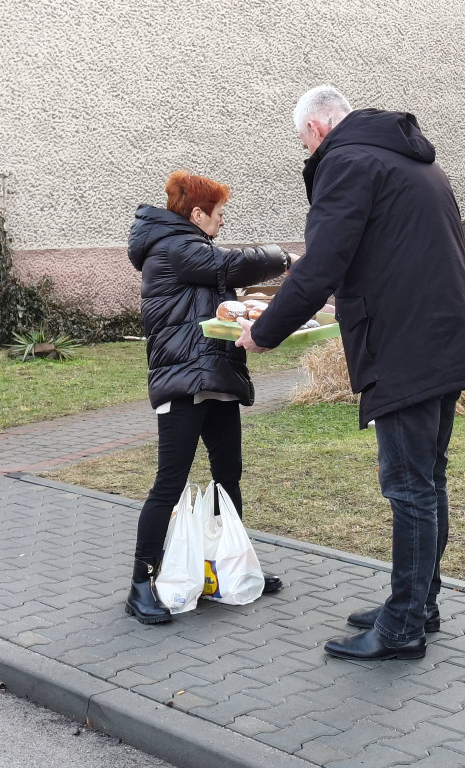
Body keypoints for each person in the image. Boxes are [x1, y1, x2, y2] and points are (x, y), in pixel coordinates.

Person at [236, 86, 465, 660]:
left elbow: (320, 263)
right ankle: (417, 603)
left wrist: (264, 330)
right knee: (428, 481)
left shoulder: (348, 162)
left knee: (408, 488)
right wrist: (350, 301)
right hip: (443, 335)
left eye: (303, 141)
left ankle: (403, 626)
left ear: (317, 129)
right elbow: (393, 251)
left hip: (406, 346)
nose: (306, 153)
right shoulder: (411, 160)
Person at [125, 171, 295, 624]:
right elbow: (227, 266)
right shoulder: (174, 249)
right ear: (197, 214)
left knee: (228, 478)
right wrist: (284, 259)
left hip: (216, 378)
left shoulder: (192, 249)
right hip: (184, 384)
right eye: (218, 214)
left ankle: (231, 565)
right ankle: (141, 584)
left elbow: (219, 301)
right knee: (169, 483)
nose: (221, 222)